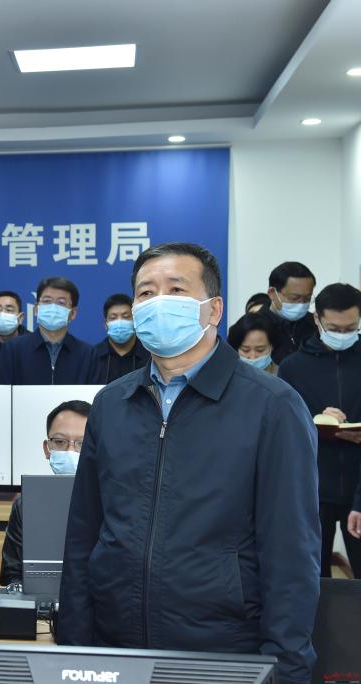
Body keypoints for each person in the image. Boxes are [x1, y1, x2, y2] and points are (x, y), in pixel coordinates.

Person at [58, 242, 320, 684]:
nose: (158, 302)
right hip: (113, 647)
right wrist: (74, 646)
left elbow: (292, 555)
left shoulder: (272, 406)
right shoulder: (111, 404)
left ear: (213, 310)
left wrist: (286, 669)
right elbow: (84, 533)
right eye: (146, 292)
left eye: (176, 289)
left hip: (223, 651)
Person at [278, 283, 361, 577]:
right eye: (334, 328)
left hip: (358, 485)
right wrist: (315, 419)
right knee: (312, 579)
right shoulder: (293, 367)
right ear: (317, 319)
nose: (342, 335)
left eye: (351, 328)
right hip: (313, 491)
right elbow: (282, 431)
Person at [0, 399, 89, 586]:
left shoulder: (114, 503)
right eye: (60, 442)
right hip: (38, 600)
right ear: (47, 448)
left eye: (82, 443)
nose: (70, 451)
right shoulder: (26, 505)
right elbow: (10, 575)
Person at [0, 276, 95, 385]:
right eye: (47, 301)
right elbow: (2, 393)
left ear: (73, 313)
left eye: (61, 302)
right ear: (36, 309)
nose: (53, 308)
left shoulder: (87, 355)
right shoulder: (13, 350)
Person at [262, 261, 318, 364]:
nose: (301, 304)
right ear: (272, 293)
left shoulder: (316, 325)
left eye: (307, 299)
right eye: (294, 298)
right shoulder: (254, 326)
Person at [90, 293, 149, 384]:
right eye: (113, 318)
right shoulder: (93, 357)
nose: (119, 322)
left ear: (135, 321)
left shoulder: (150, 355)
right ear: (105, 324)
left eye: (126, 317)